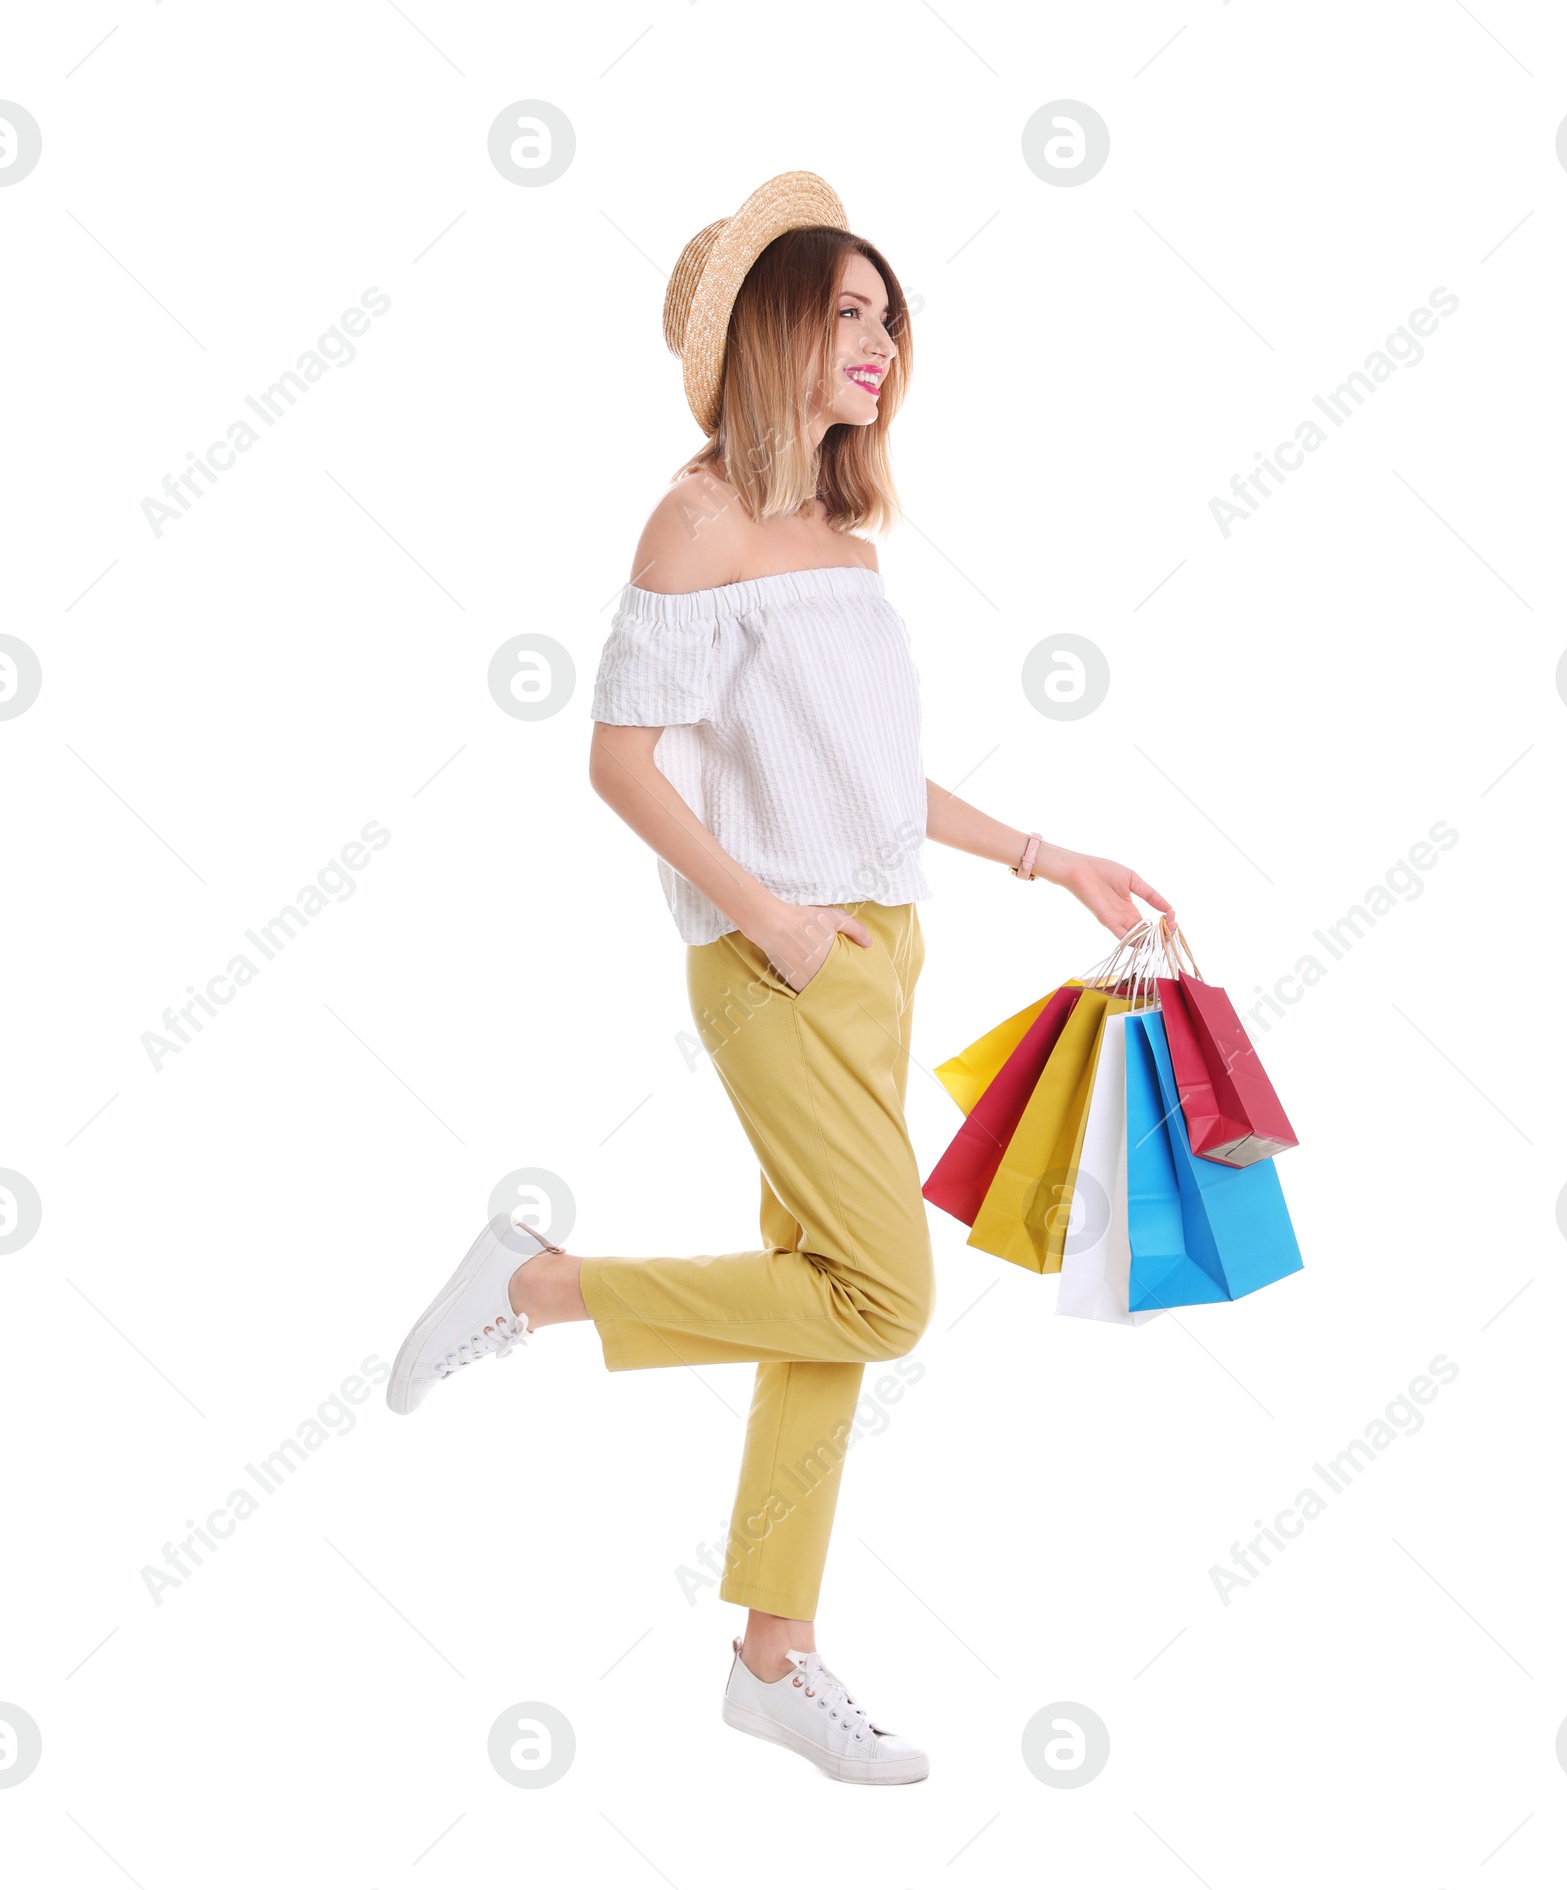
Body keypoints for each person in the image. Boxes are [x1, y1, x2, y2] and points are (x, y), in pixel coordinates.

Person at [386, 171, 1171, 1786]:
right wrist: (773, 922)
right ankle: (537, 1287)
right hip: (784, 962)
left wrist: (1050, 856)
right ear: (768, 332)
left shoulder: (841, 533)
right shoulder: (694, 516)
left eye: (892, 315)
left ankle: (772, 1656)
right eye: (847, 310)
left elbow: (882, 786)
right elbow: (618, 762)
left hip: (882, 950)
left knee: (828, 1309)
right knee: (889, 1291)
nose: (881, 340)